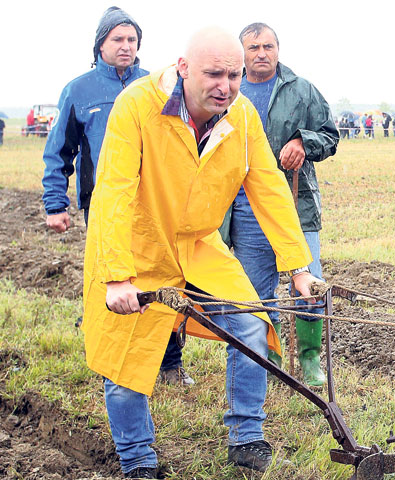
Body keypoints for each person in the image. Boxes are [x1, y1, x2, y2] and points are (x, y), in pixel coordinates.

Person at [83, 27, 317, 478]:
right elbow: (112, 191)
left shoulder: (242, 116)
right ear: (184, 68)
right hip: (136, 249)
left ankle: (246, 436)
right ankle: (137, 459)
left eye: (233, 75)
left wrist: (298, 267)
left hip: (197, 246)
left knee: (250, 325)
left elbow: (268, 187)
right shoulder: (137, 106)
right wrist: (116, 276)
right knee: (126, 359)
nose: (224, 86)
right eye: (213, 74)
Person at [40, 7, 191, 387]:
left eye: (132, 40)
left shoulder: (157, 85)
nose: (126, 47)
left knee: (166, 280)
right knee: (115, 278)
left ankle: (170, 364)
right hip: (105, 204)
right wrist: (55, 204)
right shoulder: (79, 90)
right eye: (117, 39)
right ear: (100, 45)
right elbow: (59, 151)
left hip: (157, 203)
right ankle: (115, 363)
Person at [229, 22, 338, 387]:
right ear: (242, 53)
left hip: (297, 205)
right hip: (243, 209)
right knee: (256, 291)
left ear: (278, 49)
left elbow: (330, 135)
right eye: (254, 47)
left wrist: (304, 143)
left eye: (269, 46)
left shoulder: (301, 90)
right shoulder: (229, 90)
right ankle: (271, 357)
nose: (262, 53)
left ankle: (309, 360)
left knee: (307, 284)